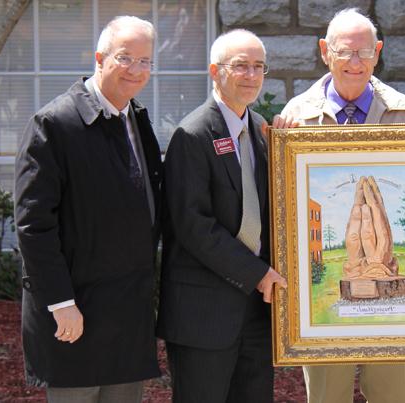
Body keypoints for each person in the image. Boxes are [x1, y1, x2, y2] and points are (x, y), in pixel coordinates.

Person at [274, 8, 405, 403]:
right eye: (345, 52)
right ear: (325, 51)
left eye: (364, 52)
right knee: (327, 397)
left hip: (391, 316)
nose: (355, 63)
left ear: (378, 52)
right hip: (318, 319)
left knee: (391, 396)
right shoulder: (295, 118)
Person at [14, 15, 162, 402]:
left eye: (146, 61)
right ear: (100, 58)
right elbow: (33, 226)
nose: (137, 70)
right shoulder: (53, 124)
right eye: (126, 58)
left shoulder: (136, 119)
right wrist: (61, 303)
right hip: (75, 316)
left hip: (127, 317)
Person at [156, 29, 287, 403]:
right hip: (204, 316)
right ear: (215, 71)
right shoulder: (192, 134)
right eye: (240, 66)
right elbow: (192, 226)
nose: (251, 75)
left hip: (256, 314)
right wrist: (258, 274)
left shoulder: (262, 131)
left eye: (258, 67)